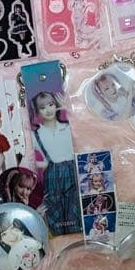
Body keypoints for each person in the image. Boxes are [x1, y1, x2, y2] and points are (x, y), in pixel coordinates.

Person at [31, 92, 81, 235]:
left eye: (51, 104)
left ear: (56, 105)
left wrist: (69, 109)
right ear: (37, 111)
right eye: (42, 107)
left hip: (73, 171)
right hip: (52, 175)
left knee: (75, 211)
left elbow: (86, 131)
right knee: (54, 213)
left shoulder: (68, 127)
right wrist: (42, 164)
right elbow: (26, 158)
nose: (48, 110)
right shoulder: (36, 135)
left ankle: (77, 240)